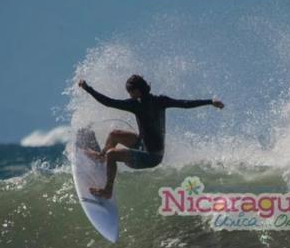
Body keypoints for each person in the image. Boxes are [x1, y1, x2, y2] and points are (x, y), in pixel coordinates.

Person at [77, 75, 224, 199]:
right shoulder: (144, 102)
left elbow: (185, 104)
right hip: (143, 145)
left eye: (130, 92)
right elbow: (108, 102)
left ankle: (107, 190)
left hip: (151, 156)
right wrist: (210, 102)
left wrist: (209, 102)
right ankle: (101, 157)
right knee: (114, 134)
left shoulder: (153, 102)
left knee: (112, 154)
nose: (129, 95)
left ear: (137, 91)